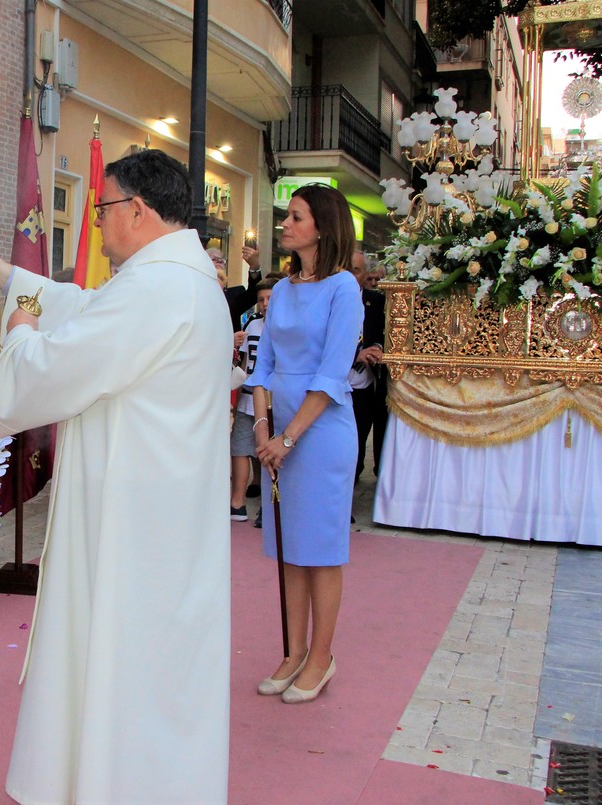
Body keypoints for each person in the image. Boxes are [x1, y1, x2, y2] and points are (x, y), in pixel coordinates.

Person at [0, 149, 232, 804]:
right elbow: (84, 308)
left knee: (127, 662)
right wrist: (1, 269)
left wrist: (17, 332)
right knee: (152, 667)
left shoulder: (160, 289)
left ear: (136, 209)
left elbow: (48, 369)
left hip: (135, 526)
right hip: (163, 518)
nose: (98, 223)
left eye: (102, 208)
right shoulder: (179, 281)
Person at [249, 183, 363, 704]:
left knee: (320, 551)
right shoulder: (285, 288)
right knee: (288, 549)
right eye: (287, 216)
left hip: (321, 434)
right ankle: (294, 651)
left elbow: (333, 372)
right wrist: (262, 427)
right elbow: (265, 365)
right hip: (279, 435)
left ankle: (323, 656)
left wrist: (289, 438)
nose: (286, 224)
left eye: (295, 216)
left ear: (322, 225)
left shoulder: (344, 288)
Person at [229, 277, 276, 523]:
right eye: (261, 300)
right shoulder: (253, 326)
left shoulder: (287, 327)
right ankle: (237, 502)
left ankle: (268, 507)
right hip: (248, 397)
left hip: (273, 401)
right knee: (239, 448)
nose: (265, 304)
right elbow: (245, 362)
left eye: (270, 298)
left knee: (269, 451)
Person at [349, 251, 387, 482]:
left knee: (358, 439)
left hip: (364, 385)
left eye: (356, 270)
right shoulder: (326, 299)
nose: (351, 275)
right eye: (347, 269)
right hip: (333, 383)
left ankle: (349, 494)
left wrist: (377, 348)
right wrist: (355, 354)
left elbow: (385, 333)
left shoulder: (377, 301)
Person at [210, 245, 262, 331]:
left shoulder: (234, 295)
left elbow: (254, 294)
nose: (219, 262)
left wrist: (254, 266)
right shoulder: (195, 293)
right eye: (214, 259)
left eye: (221, 261)